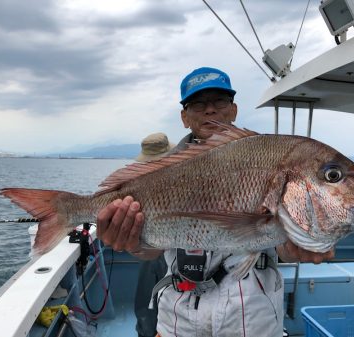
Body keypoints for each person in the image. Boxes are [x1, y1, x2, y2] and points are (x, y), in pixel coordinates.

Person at [97, 67, 334, 337]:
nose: (210, 110)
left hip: (253, 313)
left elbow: (282, 248)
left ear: (233, 110)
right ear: (184, 117)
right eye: (198, 103)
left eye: (219, 101)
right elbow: (150, 252)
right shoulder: (161, 172)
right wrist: (130, 241)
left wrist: (300, 249)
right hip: (179, 315)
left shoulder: (264, 157)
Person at [134, 133, 174, 337]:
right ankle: (149, 330)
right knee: (150, 296)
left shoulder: (139, 180)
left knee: (148, 297)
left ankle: (148, 330)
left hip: (165, 248)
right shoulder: (180, 174)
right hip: (161, 248)